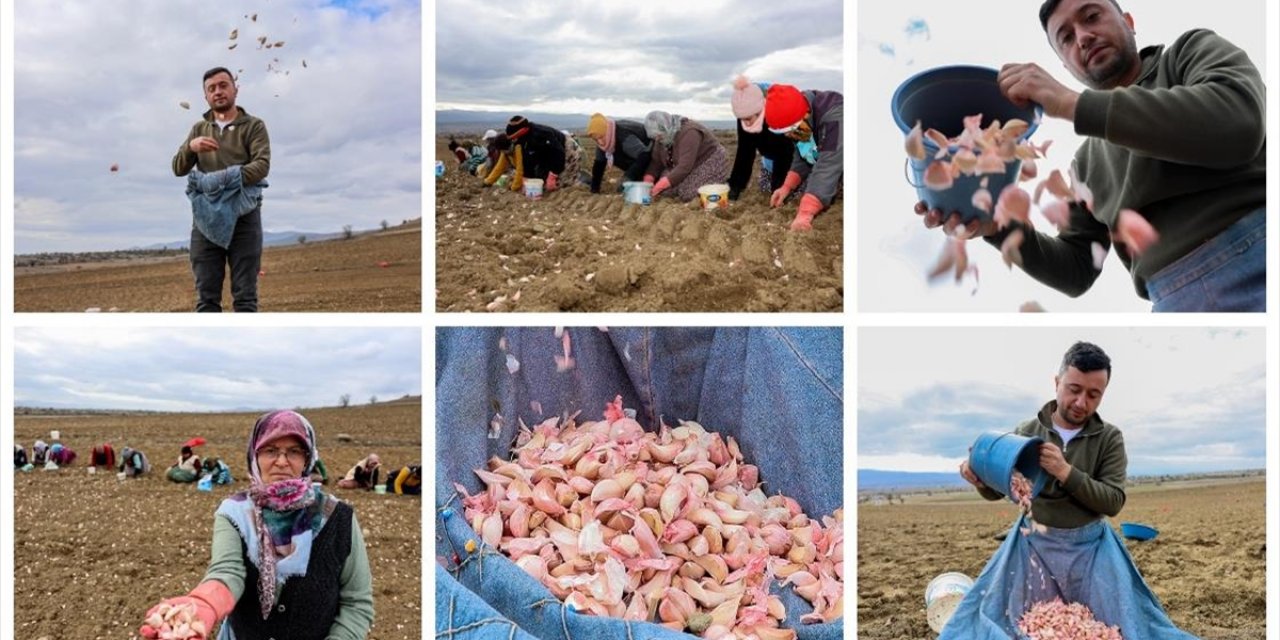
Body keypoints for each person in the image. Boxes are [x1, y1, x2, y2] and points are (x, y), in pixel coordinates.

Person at [920, 0, 1266, 311]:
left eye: (1092, 16)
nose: (1083, 37)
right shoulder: (1083, 165)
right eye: (1066, 39)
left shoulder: (1187, 54)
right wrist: (999, 228)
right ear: (1065, 66)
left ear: (1129, 21)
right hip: (1173, 300)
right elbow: (1075, 270)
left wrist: (1071, 104)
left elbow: (1241, 121)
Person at [944, 342, 1195, 638]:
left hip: (1090, 547)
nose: (1081, 402)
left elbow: (1113, 502)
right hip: (1033, 545)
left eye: (1093, 394)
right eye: (1074, 389)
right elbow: (1005, 490)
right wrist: (980, 482)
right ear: (1057, 382)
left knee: (1121, 625)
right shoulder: (1027, 431)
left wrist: (1065, 471)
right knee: (1004, 620)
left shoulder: (1109, 437)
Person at [139, 410, 374, 640]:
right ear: (255, 456)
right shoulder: (234, 513)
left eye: (294, 451)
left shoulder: (338, 518)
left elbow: (356, 604)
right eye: (270, 450)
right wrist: (205, 603)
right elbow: (227, 571)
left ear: (307, 458)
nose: (281, 461)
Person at [172, 66, 272, 313]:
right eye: (211, 88)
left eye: (223, 85)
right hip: (206, 219)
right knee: (206, 298)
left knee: (245, 297)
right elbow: (178, 168)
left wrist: (220, 182)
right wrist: (190, 148)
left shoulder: (254, 126)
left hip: (244, 217)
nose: (218, 91)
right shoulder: (198, 129)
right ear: (206, 97)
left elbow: (261, 166)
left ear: (235, 89)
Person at [762, 84, 843, 231]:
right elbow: (803, 155)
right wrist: (786, 187)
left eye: (790, 130)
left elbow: (828, 164)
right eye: (784, 133)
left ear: (805, 114)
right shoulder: (800, 120)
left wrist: (805, 212)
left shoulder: (834, 115)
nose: (788, 136)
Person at [727, 76, 800, 202]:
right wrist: (735, 187)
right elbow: (745, 151)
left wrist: (779, 187)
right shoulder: (744, 108)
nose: (746, 123)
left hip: (795, 161)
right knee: (764, 188)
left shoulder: (777, 111)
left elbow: (785, 152)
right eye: (742, 119)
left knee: (789, 192)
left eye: (749, 119)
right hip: (769, 161)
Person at [642, 110, 730, 202]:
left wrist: (660, 185)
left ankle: (719, 183)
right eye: (655, 137)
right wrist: (648, 180)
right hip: (683, 164)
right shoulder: (662, 138)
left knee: (689, 194)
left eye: (659, 136)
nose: (657, 139)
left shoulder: (689, 132)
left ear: (666, 128)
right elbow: (656, 162)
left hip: (709, 160)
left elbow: (685, 166)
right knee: (666, 192)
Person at [483, 116, 577, 193]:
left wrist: (553, 174)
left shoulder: (541, 133)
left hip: (564, 147)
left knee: (566, 179)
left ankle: (582, 181)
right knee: (542, 181)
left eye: (514, 138)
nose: (514, 141)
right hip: (544, 154)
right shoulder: (521, 142)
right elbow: (527, 163)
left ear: (521, 133)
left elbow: (558, 152)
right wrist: (526, 180)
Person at [585, 113, 652, 194]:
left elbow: (644, 155)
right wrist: (594, 188)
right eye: (596, 139)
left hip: (652, 155)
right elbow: (599, 165)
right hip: (635, 157)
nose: (600, 142)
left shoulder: (623, 135)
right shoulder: (604, 143)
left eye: (601, 137)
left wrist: (628, 177)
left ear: (607, 131)